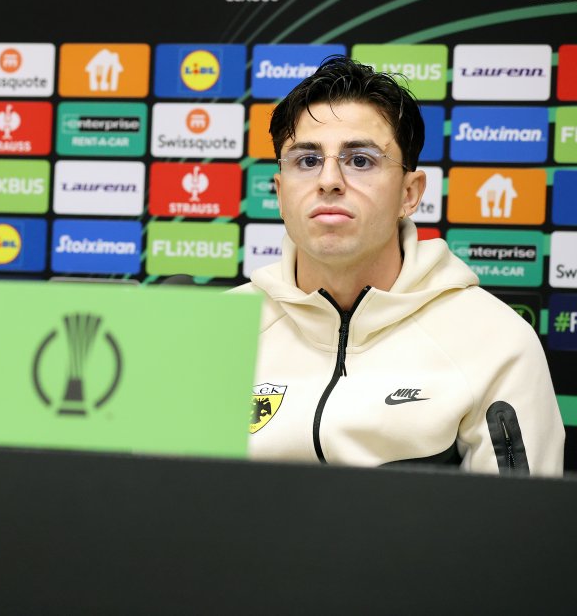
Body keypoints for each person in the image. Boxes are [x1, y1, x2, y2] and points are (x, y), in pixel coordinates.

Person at [235, 56, 564, 475]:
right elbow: (174, 503)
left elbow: (517, 515)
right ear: (280, 193)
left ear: (410, 193)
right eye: (307, 161)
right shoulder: (214, 332)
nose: (329, 180)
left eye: (360, 160)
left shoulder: (496, 341)